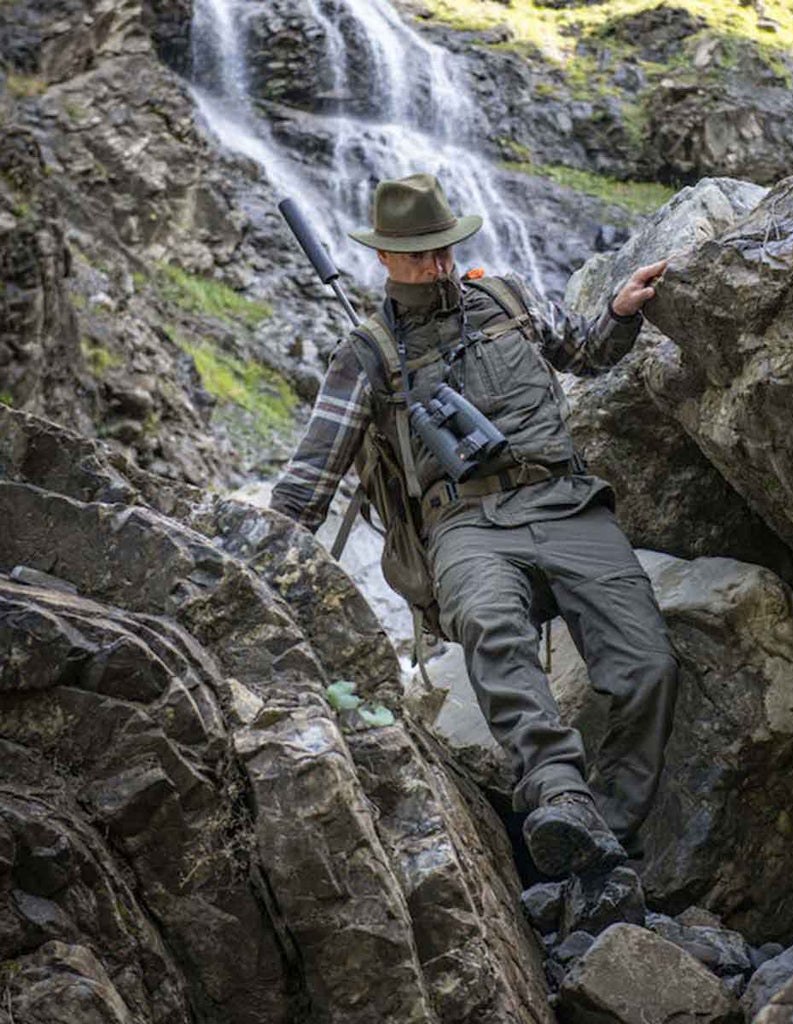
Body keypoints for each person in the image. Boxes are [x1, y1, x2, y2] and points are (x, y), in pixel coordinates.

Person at [271, 173, 679, 878]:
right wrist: (250, 557)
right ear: (384, 257)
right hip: (466, 528)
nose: (437, 266)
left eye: (444, 249)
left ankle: (603, 838)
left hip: (566, 502)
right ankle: (558, 793)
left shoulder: (508, 298)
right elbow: (310, 478)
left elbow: (587, 352)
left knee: (649, 666)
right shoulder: (366, 353)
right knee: (492, 626)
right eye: (419, 255)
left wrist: (619, 311)